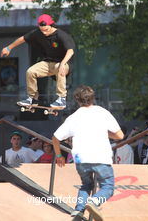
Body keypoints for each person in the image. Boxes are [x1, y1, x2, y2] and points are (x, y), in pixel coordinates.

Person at [52, 85, 123, 221]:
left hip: (80, 158)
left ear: (77, 100)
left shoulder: (73, 117)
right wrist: (104, 132)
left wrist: (59, 156)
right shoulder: (102, 112)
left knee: (86, 185)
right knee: (108, 186)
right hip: (100, 157)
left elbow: (55, 138)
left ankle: (78, 211)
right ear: (93, 98)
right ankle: (94, 201)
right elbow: (120, 135)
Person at [1, 14, 75, 108]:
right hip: (49, 63)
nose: (44, 33)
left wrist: (63, 63)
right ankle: (32, 98)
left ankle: (62, 99)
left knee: (59, 67)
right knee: (31, 71)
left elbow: (70, 51)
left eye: (46, 30)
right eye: (42, 30)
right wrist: (9, 48)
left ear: (51, 25)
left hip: (65, 64)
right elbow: (22, 39)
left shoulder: (61, 35)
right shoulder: (38, 33)